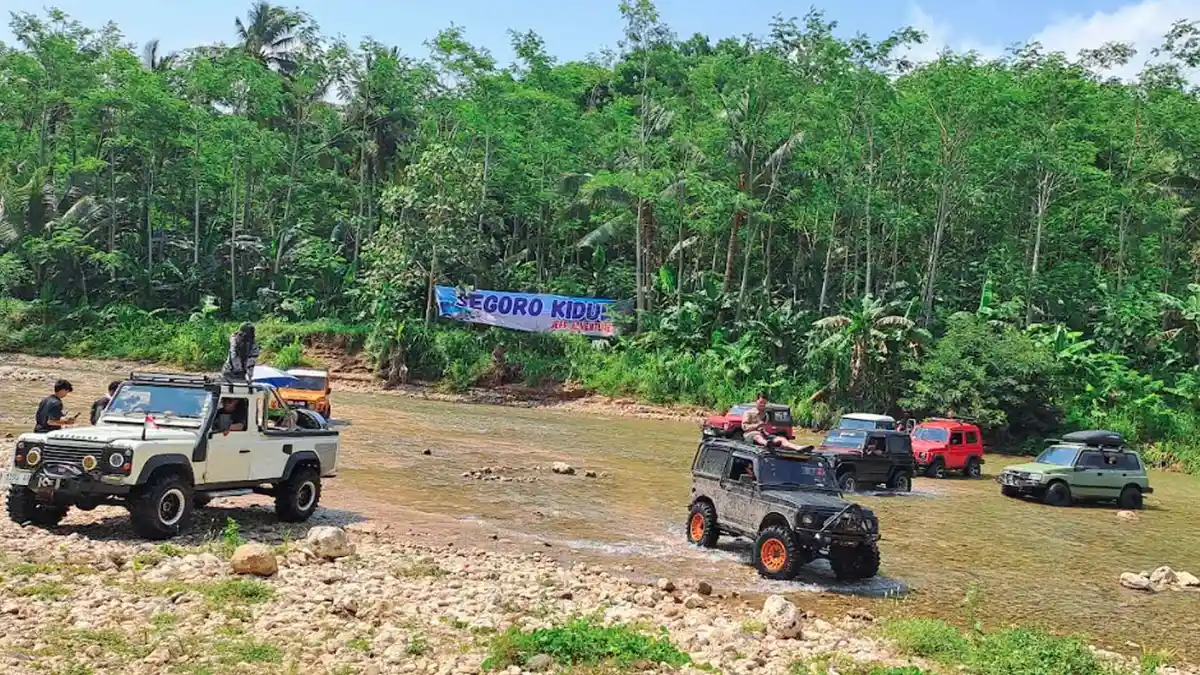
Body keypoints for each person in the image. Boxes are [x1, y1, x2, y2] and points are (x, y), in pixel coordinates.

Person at [742, 392, 810, 452]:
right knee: (757, 436)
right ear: (756, 401)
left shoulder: (765, 414)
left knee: (781, 439)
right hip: (751, 435)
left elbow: (763, 428)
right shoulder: (748, 413)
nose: (762, 405)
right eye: (761, 402)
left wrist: (765, 432)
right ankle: (767, 444)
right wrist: (757, 425)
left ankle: (797, 447)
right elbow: (744, 427)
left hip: (764, 435)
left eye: (764, 403)